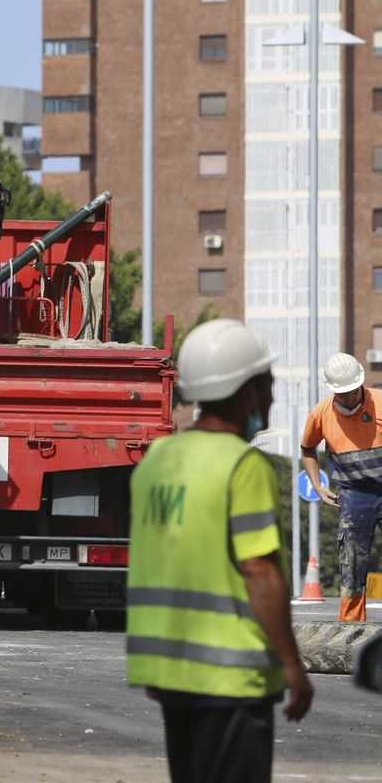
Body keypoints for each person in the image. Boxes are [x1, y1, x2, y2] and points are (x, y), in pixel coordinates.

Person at [127, 318, 312, 783]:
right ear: (245, 392)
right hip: (232, 675)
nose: (271, 397)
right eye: (267, 385)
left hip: (171, 674)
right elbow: (259, 570)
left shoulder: (156, 461)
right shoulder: (243, 465)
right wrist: (292, 664)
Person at [299, 351, 382, 623]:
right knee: (352, 562)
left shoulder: (380, 402)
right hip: (354, 494)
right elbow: (308, 449)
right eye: (342, 393)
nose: (349, 397)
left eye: (352, 391)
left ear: (361, 384)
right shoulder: (321, 413)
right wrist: (318, 485)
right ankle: (350, 627)